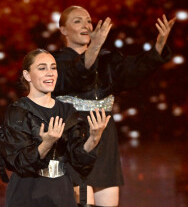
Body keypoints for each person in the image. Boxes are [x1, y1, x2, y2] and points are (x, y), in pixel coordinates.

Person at [53, 5, 175, 206]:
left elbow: (134, 71)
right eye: (77, 21)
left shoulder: (107, 59)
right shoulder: (56, 62)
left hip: (105, 140)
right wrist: (94, 47)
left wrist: (158, 47)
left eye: (88, 21)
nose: (86, 25)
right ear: (63, 30)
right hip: (74, 138)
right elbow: (76, 75)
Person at [2, 49, 110, 207]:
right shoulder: (18, 111)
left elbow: (79, 161)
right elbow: (19, 163)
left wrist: (94, 137)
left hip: (61, 190)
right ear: (27, 75)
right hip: (27, 192)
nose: (50, 73)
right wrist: (46, 143)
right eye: (42, 68)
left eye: (53, 67)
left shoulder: (67, 110)